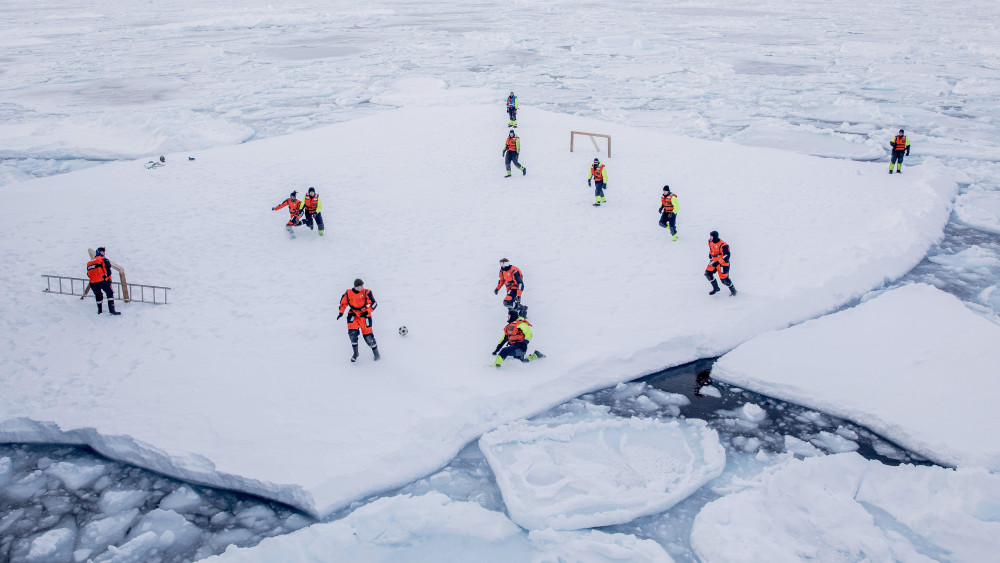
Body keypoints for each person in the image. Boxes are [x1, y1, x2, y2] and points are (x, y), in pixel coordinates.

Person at [337, 278, 380, 362]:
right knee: (352, 334)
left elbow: (374, 304)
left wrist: (367, 311)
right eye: (361, 286)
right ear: (356, 286)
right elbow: (343, 303)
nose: (362, 287)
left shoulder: (366, 292)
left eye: (362, 285)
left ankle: (376, 353)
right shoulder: (348, 293)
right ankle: (355, 353)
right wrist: (341, 312)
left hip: (364, 315)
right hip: (353, 314)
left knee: (368, 336)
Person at [85, 247, 121, 315]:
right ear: (99, 252)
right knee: (109, 293)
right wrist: (108, 279)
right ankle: (112, 310)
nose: (104, 253)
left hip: (93, 283)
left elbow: (88, 274)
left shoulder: (89, 263)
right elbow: (108, 270)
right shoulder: (103, 259)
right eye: (103, 252)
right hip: (103, 281)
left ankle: (99, 310)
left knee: (98, 295)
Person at [705, 231, 737, 296]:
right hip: (714, 261)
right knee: (707, 273)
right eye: (710, 236)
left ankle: (733, 291)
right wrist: (710, 254)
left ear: (715, 237)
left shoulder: (724, 245)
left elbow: (727, 255)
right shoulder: (710, 241)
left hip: (723, 263)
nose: (710, 238)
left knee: (724, 280)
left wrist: (718, 262)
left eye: (711, 237)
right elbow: (711, 248)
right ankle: (716, 288)